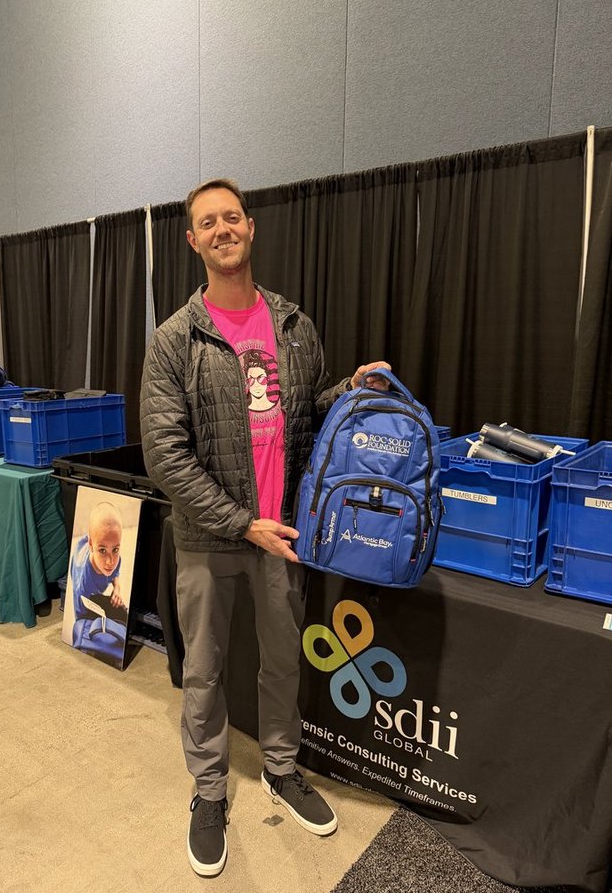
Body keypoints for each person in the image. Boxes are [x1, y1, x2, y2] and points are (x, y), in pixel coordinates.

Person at [140, 178, 390, 877]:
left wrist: (350, 390)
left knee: (282, 661)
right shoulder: (173, 340)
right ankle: (210, 789)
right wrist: (238, 521)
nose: (221, 229)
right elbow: (165, 453)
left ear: (250, 227)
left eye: (231, 217)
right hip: (207, 538)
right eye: (206, 222)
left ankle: (281, 768)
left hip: (283, 534)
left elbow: (304, 411)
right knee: (204, 672)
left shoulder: (291, 323)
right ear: (192, 241)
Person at [69, 500, 128, 638]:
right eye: (102, 550)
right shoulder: (83, 586)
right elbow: (80, 622)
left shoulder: (116, 559)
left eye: (115, 549)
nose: (110, 561)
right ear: (91, 545)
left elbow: (115, 574)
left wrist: (117, 589)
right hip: (81, 561)